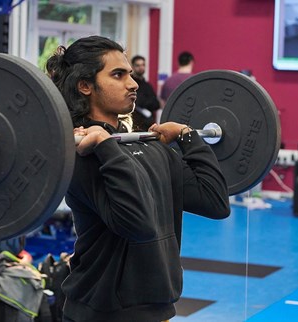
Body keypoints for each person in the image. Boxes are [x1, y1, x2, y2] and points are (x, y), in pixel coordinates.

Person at [46, 36, 230, 322]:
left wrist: (186, 135)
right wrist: (105, 145)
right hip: (100, 313)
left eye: (130, 74)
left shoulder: (149, 146)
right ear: (85, 86)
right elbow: (137, 224)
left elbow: (215, 202)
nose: (132, 84)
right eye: (118, 75)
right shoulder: (82, 156)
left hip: (158, 308)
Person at [130, 55, 160, 131]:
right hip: (135, 124)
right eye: (138, 65)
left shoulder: (147, 85)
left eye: (143, 65)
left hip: (149, 124)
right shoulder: (131, 83)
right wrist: (147, 102)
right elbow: (136, 102)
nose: (141, 67)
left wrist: (145, 102)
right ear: (133, 67)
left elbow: (156, 104)